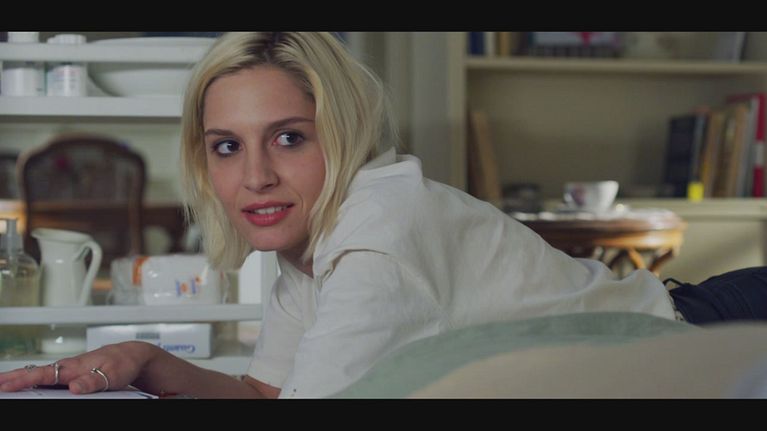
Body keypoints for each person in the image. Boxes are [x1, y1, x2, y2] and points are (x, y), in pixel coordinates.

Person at [1, 32, 765, 398]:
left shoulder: (377, 231)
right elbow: (267, 395)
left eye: (289, 137)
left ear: (340, 134)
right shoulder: (311, 248)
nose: (255, 175)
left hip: (702, 325)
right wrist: (150, 360)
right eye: (227, 146)